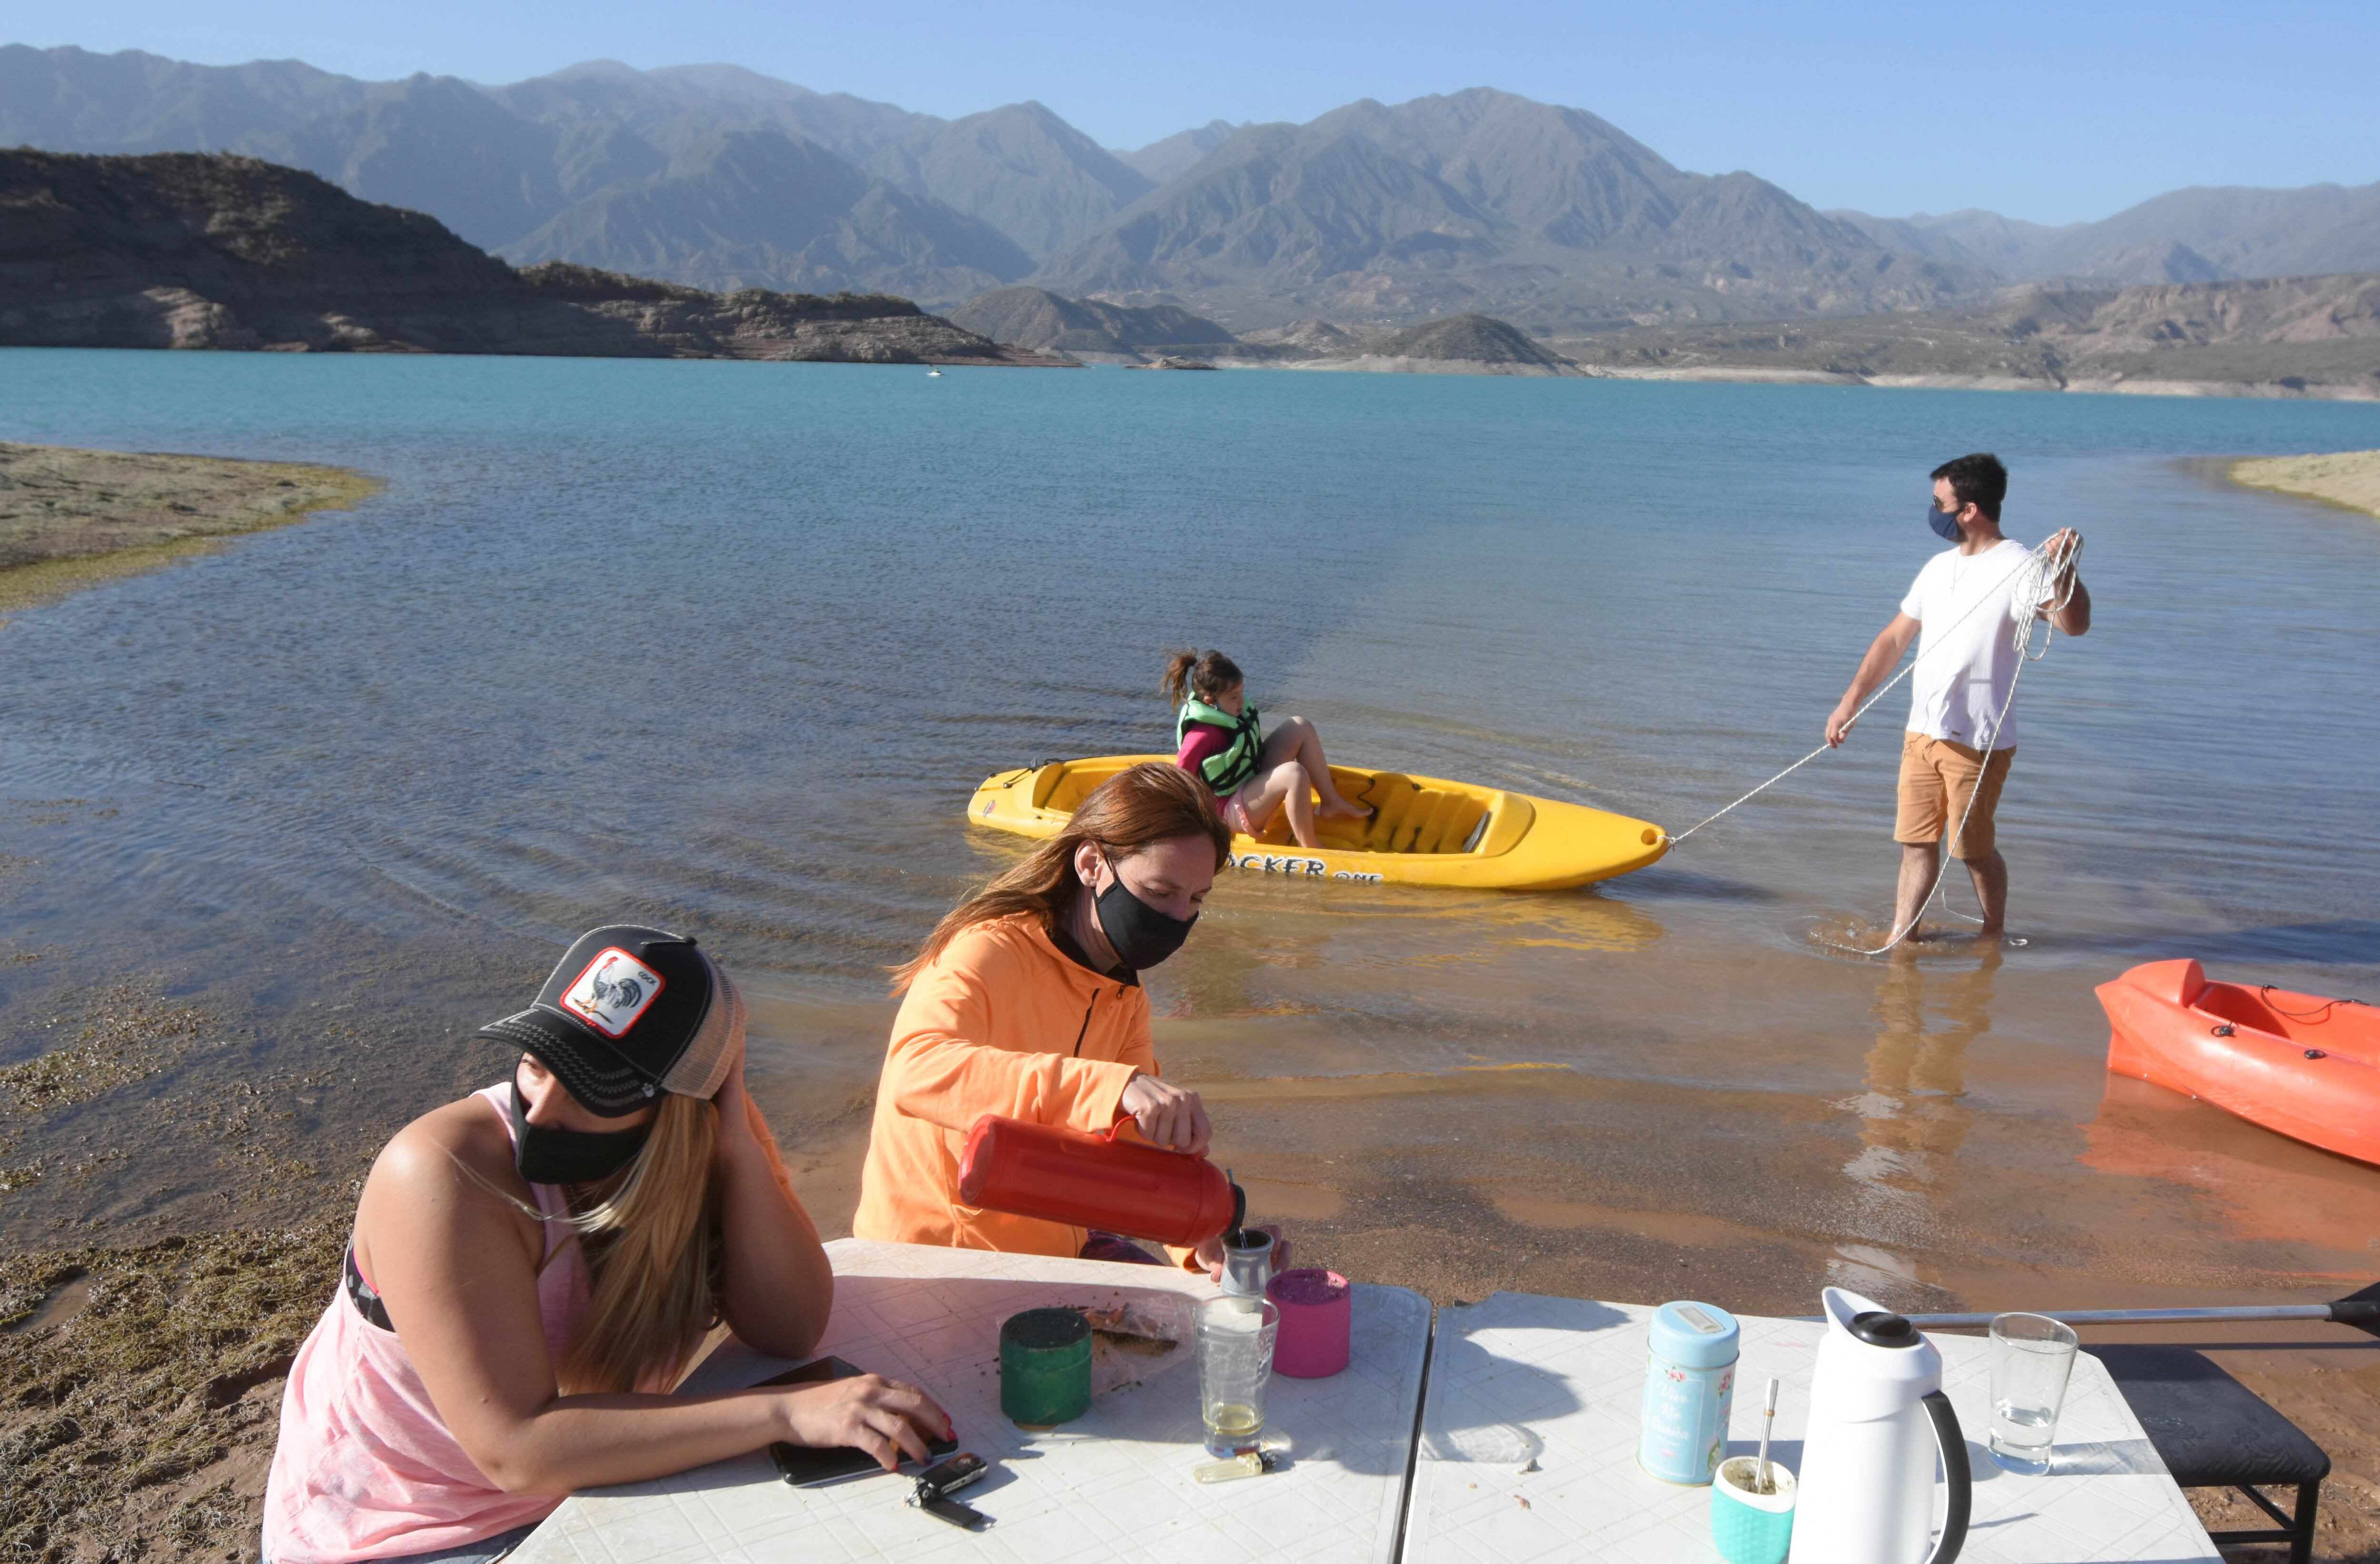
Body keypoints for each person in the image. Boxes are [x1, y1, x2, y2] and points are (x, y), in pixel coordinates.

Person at [263, 926, 950, 1564]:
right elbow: (518, 1450)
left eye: (593, 1085)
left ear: (682, 1109)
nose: (543, 1108)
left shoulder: (697, 1147)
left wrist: (738, 1146)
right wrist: (789, 1412)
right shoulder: (442, 1173)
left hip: (581, 1492)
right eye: (537, 1061)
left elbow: (791, 1326)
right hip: (402, 1537)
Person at [853, 762, 1229, 1271]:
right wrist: (1108, 1088)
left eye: (1195, 899)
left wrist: (1200, 1235)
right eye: (1161, 893)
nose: (1178, 917)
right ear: (1092, 863)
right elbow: (915, 1073)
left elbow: (1139, 1147)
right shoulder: (987, 949)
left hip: (1051, 1257)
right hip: (929, 1261)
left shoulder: (1123, 994)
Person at [1823, 453, 2090, 944]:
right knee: (1914, 844)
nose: (1932, 511)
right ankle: (1901, 940)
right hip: (1920, 733)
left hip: (1977, 742)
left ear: (1967, 510)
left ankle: (1993, 935)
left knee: (1971, 850)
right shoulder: (1935, 568)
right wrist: (1848, 703)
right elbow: (1892, 640)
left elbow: (2074, 626)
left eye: (1937, 503)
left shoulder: (2021, 567)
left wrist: (2062, 566)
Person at [1163, 648, 1369, 850]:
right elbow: (1179, 782)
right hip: (1228, 810)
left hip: (1250, 781)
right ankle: (1310, 845)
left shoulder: (1230, 714)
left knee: (1299, 726)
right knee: (1294, 773)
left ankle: (1331, 803)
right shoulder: (1202, 736)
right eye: (1234, 697)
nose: (1242, 702)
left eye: (1241, 693)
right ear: (1210, 702)